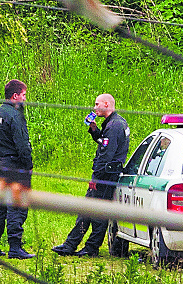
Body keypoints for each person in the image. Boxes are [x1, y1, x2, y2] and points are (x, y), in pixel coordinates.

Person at [52, 93, 130, 257]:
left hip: (106, 175)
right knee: (86, 209)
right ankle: (70, 245)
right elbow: (104, 142)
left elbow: (107, 154)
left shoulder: (115, 125)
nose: (94, 108)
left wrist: (96, 178)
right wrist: (94, 129)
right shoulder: (113, 123)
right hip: (105, 172)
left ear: (106, 105)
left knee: (98, 213)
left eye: (97, 104)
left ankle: (91, 248)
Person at [0, 79, 35, 259]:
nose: (24, 99)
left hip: (1, 161)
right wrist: (28, 164)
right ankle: (15, 246)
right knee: (17, 203)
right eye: (23, 95)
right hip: (16, 164)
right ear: (15, 96)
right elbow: (22, 145)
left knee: (0, 202)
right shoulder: (15, 115)